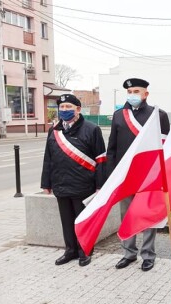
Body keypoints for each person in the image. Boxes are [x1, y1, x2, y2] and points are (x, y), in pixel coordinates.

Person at [106, 78, 170, 272]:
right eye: (130, 91)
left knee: (147, 215)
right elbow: (112, 149)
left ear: (146, 94)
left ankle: (148, 255)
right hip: (125, 176)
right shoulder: (119, 116)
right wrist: (111, 175)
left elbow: (164, 147)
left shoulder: (158, 115)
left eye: (136, 91)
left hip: (149, 176)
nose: (132, 95)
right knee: (126, 215)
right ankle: (128, 253)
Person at [40, 94, 107, 266]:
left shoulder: (92, 129)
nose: (64, 110)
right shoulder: (54, 130)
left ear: (78, 109)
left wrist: (100, 185)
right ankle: (70, 250)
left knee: (82, 221)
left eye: (68, 107)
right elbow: (48, 158)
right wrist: (46, 183)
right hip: (61, 185)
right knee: (66, 221)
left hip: (83, 186)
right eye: (61, 107)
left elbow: (101, 160)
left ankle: (85, 250)